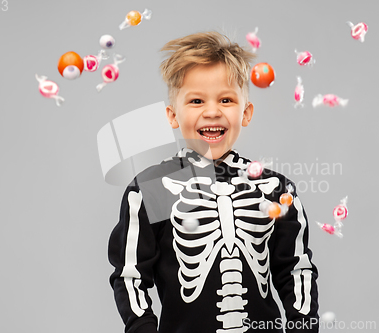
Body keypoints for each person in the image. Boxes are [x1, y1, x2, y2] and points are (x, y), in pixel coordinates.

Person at [108, 31, 319, 333]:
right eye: (196, 100)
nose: (211, 111)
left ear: (245, 113)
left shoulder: (275, 190)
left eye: (226, 99)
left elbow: (296, 269)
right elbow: (131, 276)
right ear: (172, 115)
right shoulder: (153, 188)